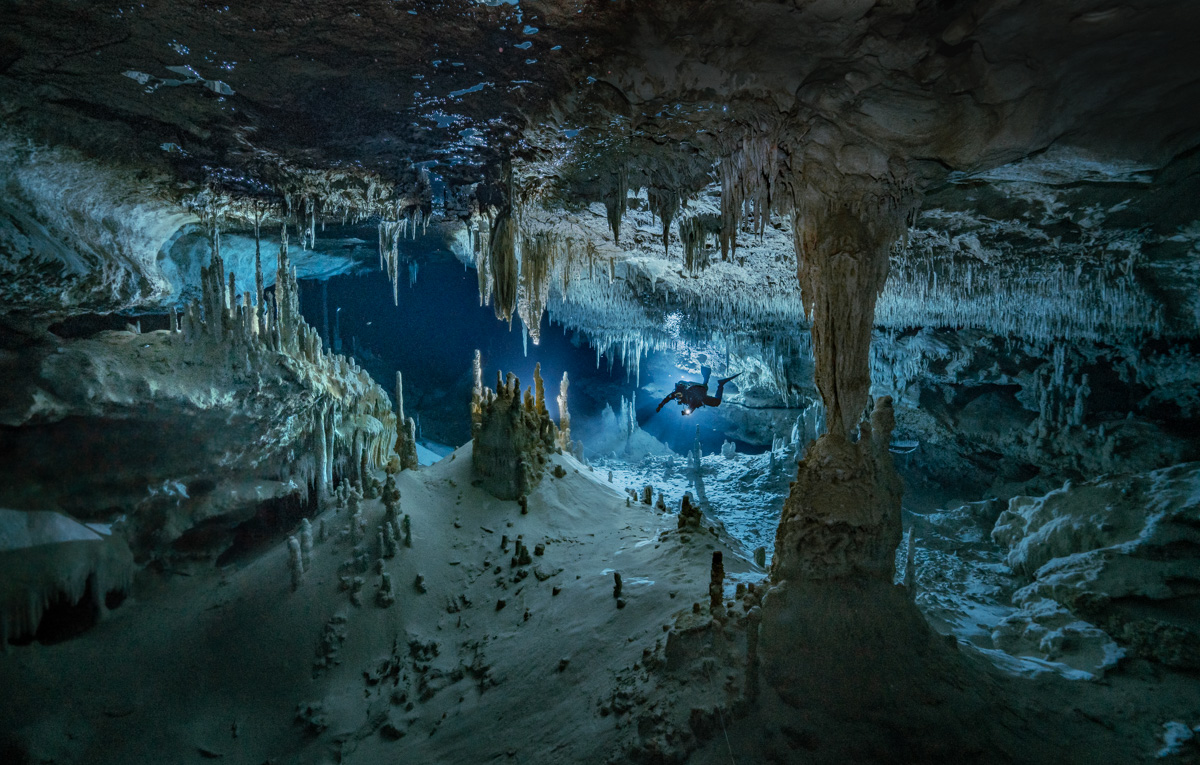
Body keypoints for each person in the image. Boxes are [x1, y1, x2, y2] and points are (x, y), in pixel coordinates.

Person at [656, 365, 740, 415]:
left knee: (716, 402)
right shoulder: (675, 394)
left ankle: (720, 384)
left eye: (679, 394)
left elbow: (693, 404)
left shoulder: (689, 395)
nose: (678, 396)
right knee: (704, 387)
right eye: (677, 396)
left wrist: (687, 412)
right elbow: (667, 398)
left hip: (700, 395)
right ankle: (707, 374)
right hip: (700, 391)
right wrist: (660, 405)